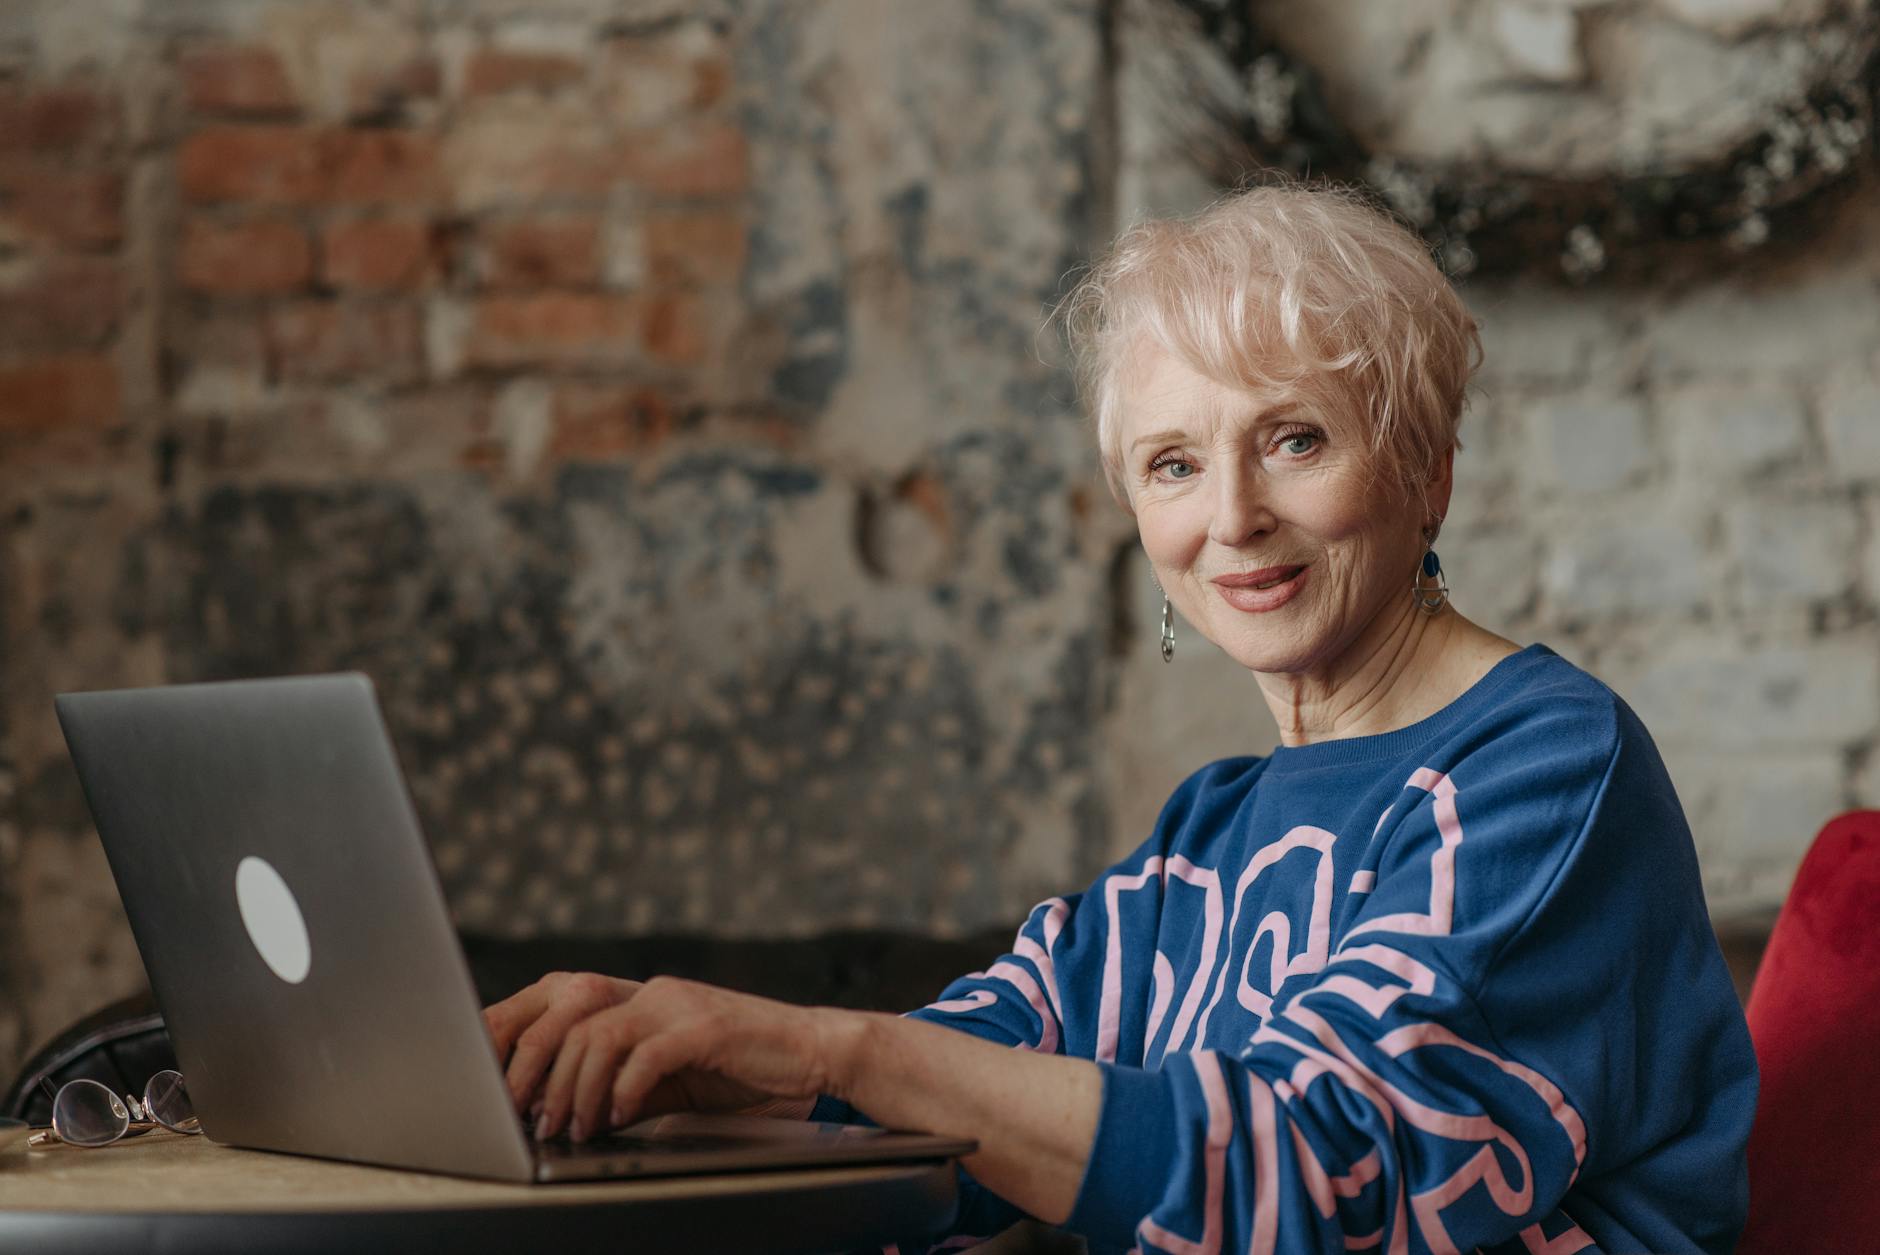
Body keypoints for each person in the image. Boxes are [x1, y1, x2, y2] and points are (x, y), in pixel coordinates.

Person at [482, 180, 1757, 1254]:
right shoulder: (1208, 831)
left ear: (1425, 470)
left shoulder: (1545, 765)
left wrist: (827, 1045)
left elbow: (1321, 1177)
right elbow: (966, 1079)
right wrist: (685, 1055)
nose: (1232, 517)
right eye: (1174, 464)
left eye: (1296, 439)